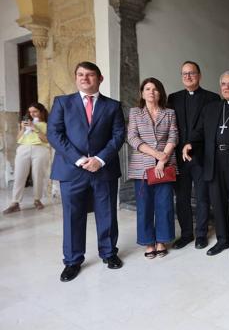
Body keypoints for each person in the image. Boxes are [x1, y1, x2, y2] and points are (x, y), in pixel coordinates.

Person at [48, 61, 126, 282]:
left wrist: (100, 159)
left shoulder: (112, 106)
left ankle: (109, 253)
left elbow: (118, 135)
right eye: (80, 74)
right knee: (73, 216)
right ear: (76, 78)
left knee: (107, 213)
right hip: (72, 170)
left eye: (90, 75)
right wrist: (80, 159)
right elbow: (54, 134)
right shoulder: (63, 103)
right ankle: (72, 261)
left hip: (104, 169)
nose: (84, 78)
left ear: (100, 79)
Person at [183, 71, 229, 258]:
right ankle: (223, 240)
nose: (227, 87)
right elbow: (198, 132)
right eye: (223, 84)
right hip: (214, 160)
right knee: (218, 201)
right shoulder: (211, 108)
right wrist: (190, 143)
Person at [167, 61, 219, 250]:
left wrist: (193, 143)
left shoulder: (213, 98)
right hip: (178, 157)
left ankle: (202, 234)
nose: (188, 76)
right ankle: (187, 234)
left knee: (203, 196)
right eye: (184, 73)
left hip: (202, 155)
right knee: (181, 197)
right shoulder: (173, 98)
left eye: (192, 73)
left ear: (199, 75)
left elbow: (211, 128)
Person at [127, 78, 178, 259]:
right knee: (144, 205)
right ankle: (148, 242)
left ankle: (161, 240)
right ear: (142, 93)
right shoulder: (135, 112)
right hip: (142, 166)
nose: (151, 92)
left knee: (164, 205)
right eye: (147, 89)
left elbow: (173, 136)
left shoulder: (169, 113)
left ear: (160, 93)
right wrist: (156, 155)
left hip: (165, 164)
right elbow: (132, 138)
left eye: (155, 89)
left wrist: (162, 160)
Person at [3, 103, 50, 214]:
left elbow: (47, 140)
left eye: (35, 111)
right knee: (19, 175)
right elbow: (18, 138)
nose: (32, 114)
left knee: (38, 175)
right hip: (23, 149)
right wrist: (23, 129)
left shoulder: (47, 124)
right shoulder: (24, 124)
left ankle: (37, 200)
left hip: (40, 149)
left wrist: (35, 129)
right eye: (30, 112)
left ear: (41, 112)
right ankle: (15, 203)